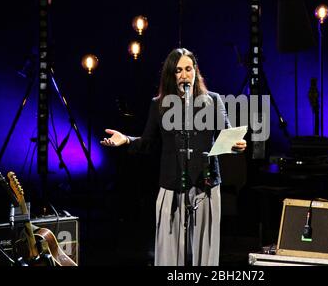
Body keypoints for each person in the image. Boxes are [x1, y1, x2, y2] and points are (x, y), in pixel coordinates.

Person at [101, 48, 246, 266]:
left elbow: (226, 134)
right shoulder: (159, 104)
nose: (184, 75)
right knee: (169, 252)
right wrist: (127, 139)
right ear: (171, 75)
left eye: (188, 69)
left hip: (205, 184)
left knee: (205, 251)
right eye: (178, 71)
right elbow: (148, 142)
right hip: (172, 184)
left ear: (196, 72)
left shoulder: (213, 100)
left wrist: (236, 145)